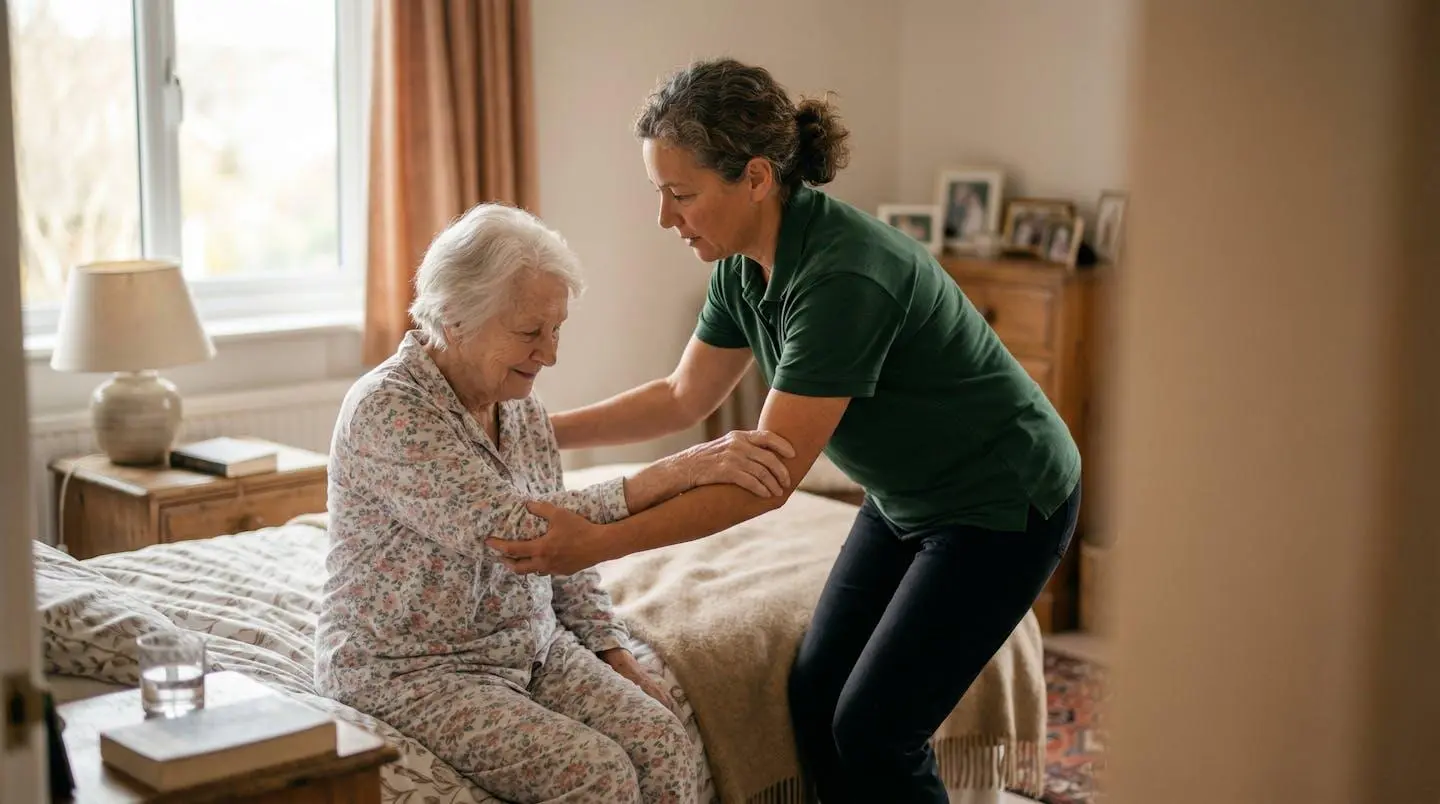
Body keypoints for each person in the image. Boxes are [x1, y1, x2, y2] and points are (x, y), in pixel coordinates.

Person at [492, 58, 1081, 804]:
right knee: (814, 693)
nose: (666, 219)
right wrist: (526, 429)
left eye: (681, 195)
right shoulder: (743, 268)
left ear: (758, 178)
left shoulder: (841, 279)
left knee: (875, 730)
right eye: (659, 194)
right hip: (905, 498)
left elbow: (764, 483)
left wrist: (597, 540)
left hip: (1002, 502)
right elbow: (682, 396)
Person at [314, 203, 796, 804]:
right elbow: (523, 530)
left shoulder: (519, 404)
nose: (550, 353)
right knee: (596, 773)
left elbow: (569, 558)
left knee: (664, 741)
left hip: (531, 648)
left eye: (556, 328)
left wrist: (613, 653)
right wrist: (677, 471)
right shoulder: (390, 409)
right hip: (411, 669)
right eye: (529, 332)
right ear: (455, 318)